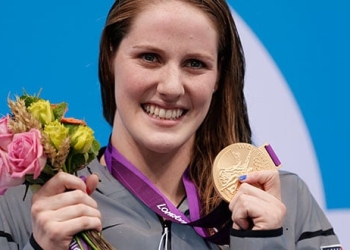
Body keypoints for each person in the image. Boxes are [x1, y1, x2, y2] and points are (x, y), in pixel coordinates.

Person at [0, 0, 342, 249]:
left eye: (195, 63)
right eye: (150, 57)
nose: (171, 87)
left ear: (219, 77)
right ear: (110, 59)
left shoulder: (286, 202)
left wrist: (264, 244)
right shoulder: (27, 204)